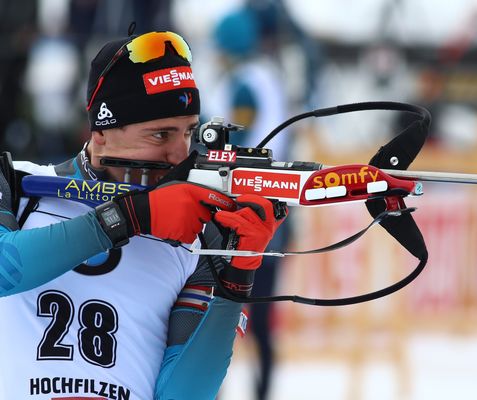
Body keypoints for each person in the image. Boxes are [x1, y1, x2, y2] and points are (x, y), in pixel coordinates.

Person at [0, 30, 285, 400]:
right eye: (160, 135)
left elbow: (185, 394)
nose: (179, 155)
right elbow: (7, 269)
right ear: (100, 134)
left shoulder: (200, 237)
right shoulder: (15, 183)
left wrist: (238, 275)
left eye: (188, 133)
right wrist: (130, 217)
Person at [206, 8, 291, 400]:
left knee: (221, 313)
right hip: (272, 208)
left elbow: (235, 149)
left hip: (244, 212)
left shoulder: (243, 83)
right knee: (259, 320)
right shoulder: (267, 76)